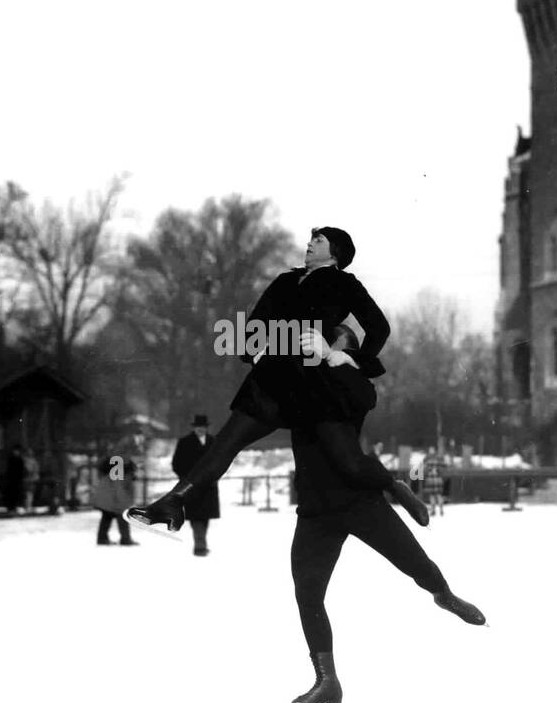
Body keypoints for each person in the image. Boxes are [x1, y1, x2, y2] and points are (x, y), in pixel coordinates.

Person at [127, 227, 426, 532]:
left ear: (335, 251)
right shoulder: (285, 280)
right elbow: (256, 322)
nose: (309, 244)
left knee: (348, 462)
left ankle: (394, 485)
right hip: (273, 379)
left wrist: (343, 356)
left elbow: (379, 329)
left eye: (318, 241)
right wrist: (255, 351)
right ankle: (175, 501)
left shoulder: (345, 284)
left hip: (318, 384)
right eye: (311, 239)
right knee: (226, 444)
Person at [286, 348, 486, 703]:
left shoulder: (348, 392)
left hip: (359, 500)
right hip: (315, 511)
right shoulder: (298, 390)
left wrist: (339, 359)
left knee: (414, 562)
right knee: (307, 593)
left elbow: (363, 408)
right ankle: (327, 680)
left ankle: (443, 594)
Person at [171, 415, 219, 555]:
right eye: (198, 427)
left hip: (209, 486)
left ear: (206, 427)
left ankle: (201, 543)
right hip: (191, 486)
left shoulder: (213, 441)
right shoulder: (184, 442)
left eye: (203, 427)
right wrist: (187, 479)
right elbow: (176, 464)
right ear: (194, 427)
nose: (201, 429)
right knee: (196, 517)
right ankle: (200, 546)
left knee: (204, 517)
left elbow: (220, 462)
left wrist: (214, 477)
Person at [92, 452, 139, 546]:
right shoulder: (122, 476)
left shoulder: (113, 474)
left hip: (105, 499)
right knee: (122, 518)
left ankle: (102, 539)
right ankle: (125, 539)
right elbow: (119, 492)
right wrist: (123, 505)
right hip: (111, 501)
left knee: (106, 517)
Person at [422, 447, 446, 517]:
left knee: (436, 495)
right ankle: (436, 510)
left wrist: (434, 470)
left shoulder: (427, 459)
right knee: (435, 495)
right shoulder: (438, 458)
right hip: (435, 479)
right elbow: (444, 467)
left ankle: (437, 510)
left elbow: (425, 470)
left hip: (433, 479)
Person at [3, 445, 27, 513]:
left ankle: (14, 507)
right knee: (10, 494)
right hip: (11, 480)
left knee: (16, 494)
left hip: (17, 480)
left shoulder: (20, 460)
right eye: (15, 451)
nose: (16, 452)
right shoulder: (11, 459)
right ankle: (10, 507)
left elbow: (21, 470)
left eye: (17, 451)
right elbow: (8, 469)